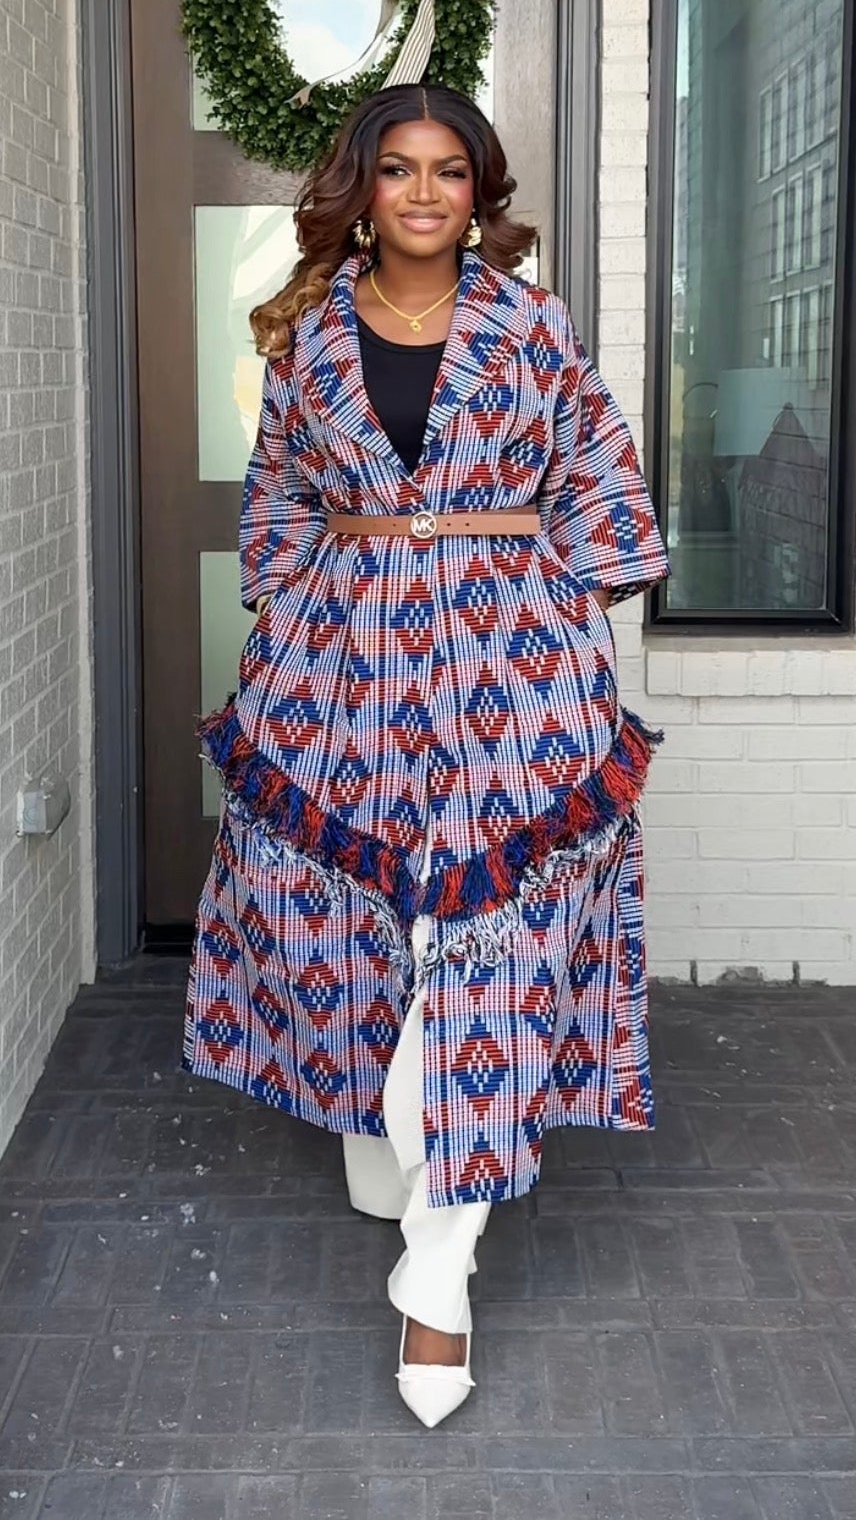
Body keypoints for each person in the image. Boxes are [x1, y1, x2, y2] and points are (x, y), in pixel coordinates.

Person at [183, 82, 670, 1427]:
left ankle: (438, 1275)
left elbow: (602, 485)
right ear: (363, 188)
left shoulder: (533, 327)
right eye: (395, 169)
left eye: (448, 170)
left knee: (487, 942)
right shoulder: (307, 334)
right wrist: (287, 614)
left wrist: (557, 608)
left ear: (478, 192)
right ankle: (398, 1158)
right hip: (342, 668)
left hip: (510, 671)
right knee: (364, 927)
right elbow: (279, 495)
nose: (421, 192)